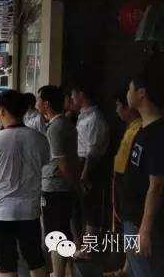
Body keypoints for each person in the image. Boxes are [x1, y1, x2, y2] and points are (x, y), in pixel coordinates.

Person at [0, 90, 50, 277]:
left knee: (6, 264)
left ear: (2, 111)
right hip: (29, 211)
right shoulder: (40, 139)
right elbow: (43, 164)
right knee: (35, 259)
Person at [122, 64, 164, 276]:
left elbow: (156, 185)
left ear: (141, 93)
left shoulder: (157, 134)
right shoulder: (143, 128)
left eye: (130, 89)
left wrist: (145, 230)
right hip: (133, 220)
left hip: (143, 224)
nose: (127, 93)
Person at [36, 85, 79, 277]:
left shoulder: (55, 128)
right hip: (63, 187)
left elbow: (62, 162)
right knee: (63, 229)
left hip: (55, 187)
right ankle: (66, 271)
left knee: (55, 232)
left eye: (38, 100)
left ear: (46, 104)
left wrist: (73, 183)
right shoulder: (66, 124)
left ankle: (58, 272)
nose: (36, 103)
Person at [105, 89, 142, 277]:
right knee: (126, 230)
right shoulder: (131, 128)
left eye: (119, 106)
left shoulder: (140, 129)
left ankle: (133, 269)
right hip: (121, 185)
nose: (117, 111)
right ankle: (127, 268)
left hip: (130, 189)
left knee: (131, 231)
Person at [71, 84, 110, 259]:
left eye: (73, 94)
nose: (71, 98)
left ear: (81, 94)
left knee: (91, 209)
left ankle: (88, 250)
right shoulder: (83, 116)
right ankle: (84, 247)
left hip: (90, 167)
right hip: (81, 164)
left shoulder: (94, 119)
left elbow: (92, 152)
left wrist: (84, 175)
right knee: (84, 208)